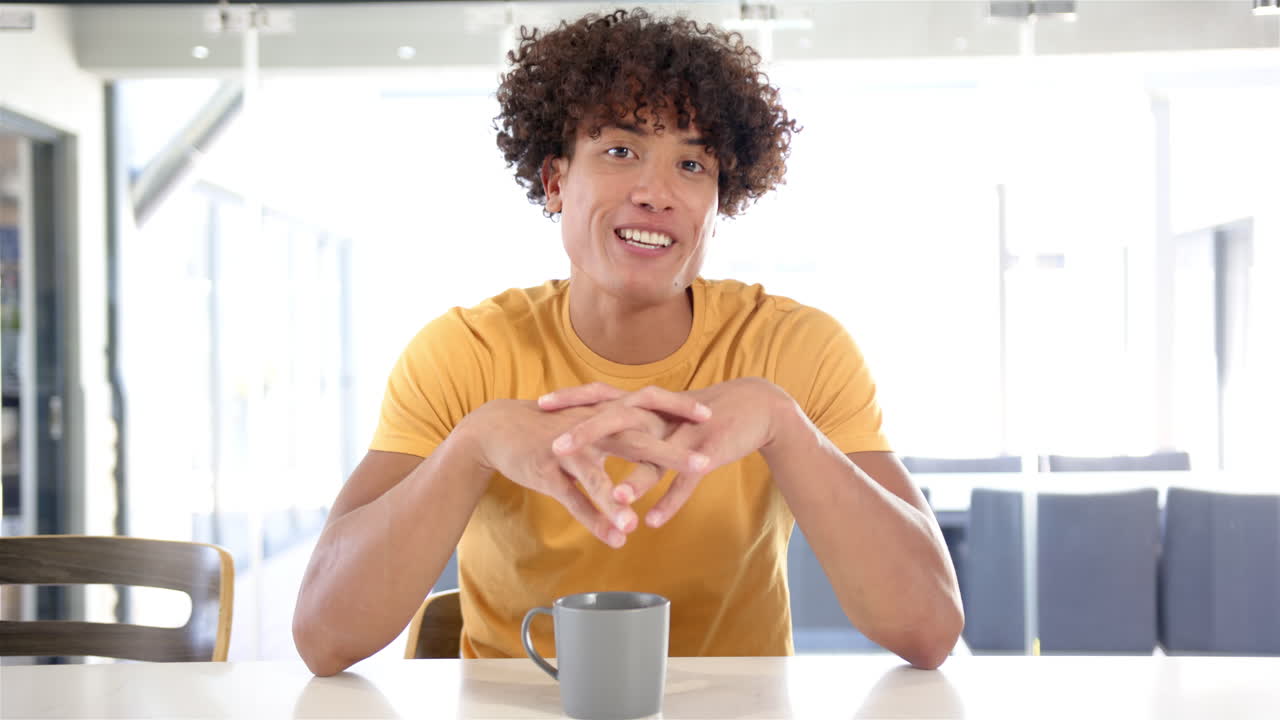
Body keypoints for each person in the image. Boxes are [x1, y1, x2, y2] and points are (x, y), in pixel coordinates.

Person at [293, 8, 962, 677]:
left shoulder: (799, 348)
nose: (655, 193)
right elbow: (323, 636)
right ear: (556, 183)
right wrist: (472, 446)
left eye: (692, 164)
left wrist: (784, 426)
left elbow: (929, 628)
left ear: (718, 203)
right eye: (620, 151)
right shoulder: (464, 352)